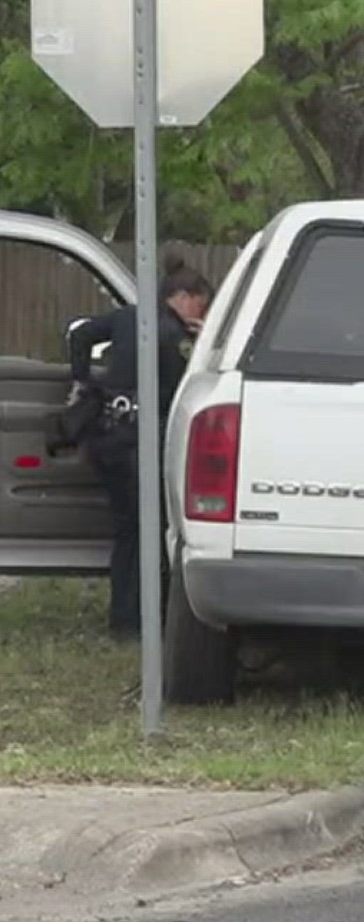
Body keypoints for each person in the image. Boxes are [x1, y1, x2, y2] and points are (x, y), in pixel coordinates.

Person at [66, 254, 213, 638]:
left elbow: (79, 335)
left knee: (128, 532)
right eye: (202, 303)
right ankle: (142, 620)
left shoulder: (128, 316)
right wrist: (202, 341)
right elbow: (192, 385)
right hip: (140, 442)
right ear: (183, 296)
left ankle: (124, 618)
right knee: (152, 531)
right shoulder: (177, 337)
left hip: (109, 437)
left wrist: (82, 382)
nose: (203, 311)